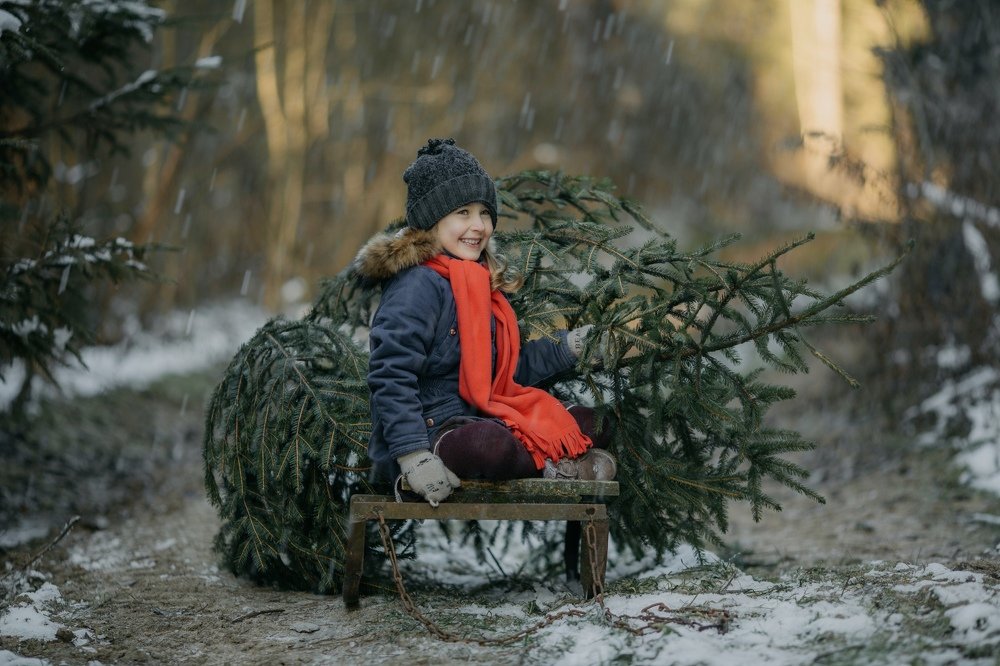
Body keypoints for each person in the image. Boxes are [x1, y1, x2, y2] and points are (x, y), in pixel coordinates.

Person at [355, 138, 615, 506]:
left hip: (486, 415)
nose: (478, 225)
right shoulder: (417, 285)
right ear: (432, 220)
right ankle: (565, 461)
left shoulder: (478, 282)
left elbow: (503, 374)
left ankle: (558, 455)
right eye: (463, 212)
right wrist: (412, 454)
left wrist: (568, 347)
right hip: (433, 433)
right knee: (487, 446)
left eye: (484, 213)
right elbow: (390, 373)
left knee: (597, 421)